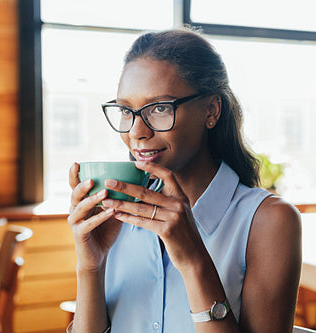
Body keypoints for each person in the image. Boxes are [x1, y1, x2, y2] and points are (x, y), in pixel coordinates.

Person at [67, 28, 302, 333]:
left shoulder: (270, 221)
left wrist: (194, 261)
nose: (137, 131)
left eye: (160, 108)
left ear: (211, 110)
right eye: (127, 110)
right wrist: (91, 267)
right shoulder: (116, 214)